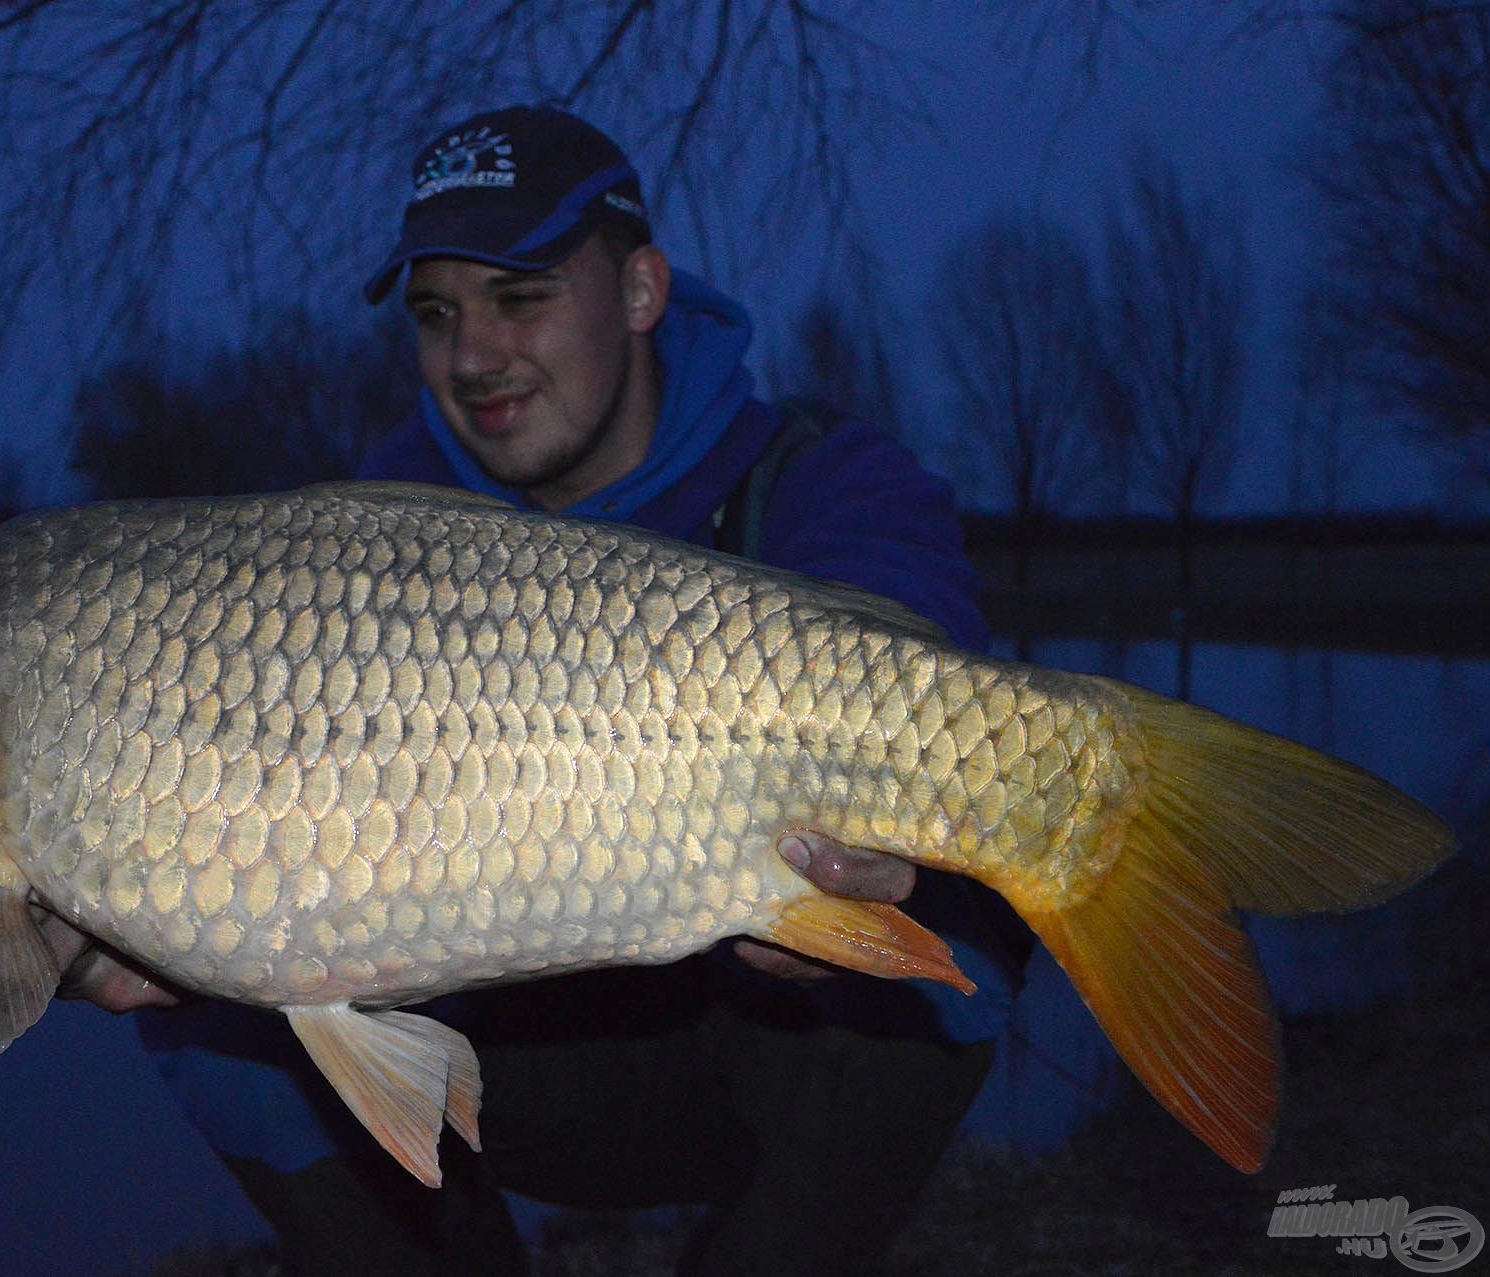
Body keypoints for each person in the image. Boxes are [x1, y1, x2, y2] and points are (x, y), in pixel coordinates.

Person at [134, 105, 1029, 1275]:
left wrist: (883, 860)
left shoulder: (820, 482)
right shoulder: (356, 550)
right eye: (436, 312)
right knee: (216, 1025)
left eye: (521, 295)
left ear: (644, 290)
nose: (471, 355)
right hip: (499, 1069)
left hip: (772, 1039)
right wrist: (165, 910)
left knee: (984, 910)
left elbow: (931, 660)